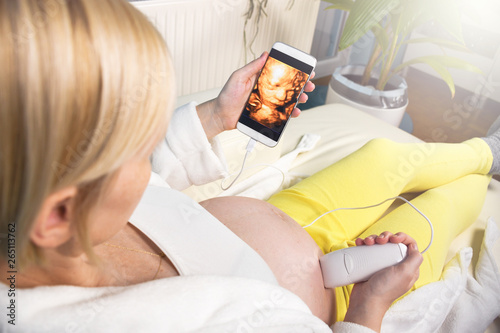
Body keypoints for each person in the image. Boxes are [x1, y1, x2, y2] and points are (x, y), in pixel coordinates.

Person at [0, 0, 498, 332]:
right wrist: (371, 305)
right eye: (137, 145)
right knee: (458, 200)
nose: (150, 149)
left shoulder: (35, 202)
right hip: (348, 292)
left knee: (388, 154)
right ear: (58, 217)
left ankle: (487, 152)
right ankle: (483, 173)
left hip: (288, 217)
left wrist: (215, 117)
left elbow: (126, 183)